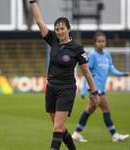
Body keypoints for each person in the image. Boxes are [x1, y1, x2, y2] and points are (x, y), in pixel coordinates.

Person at [30, 1, 100, 150]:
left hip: (66, 89)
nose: (59, 32)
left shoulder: (77, 48)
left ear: (69, 29)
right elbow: (38, 21)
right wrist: (33, 2)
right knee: (60, 128)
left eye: (62, 28)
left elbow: (86, 72)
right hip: (51, 89)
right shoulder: (53, 41)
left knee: (56, 128)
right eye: (57, 29)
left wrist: (94, 92)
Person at [72, 32, 130, 142]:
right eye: (99, 41)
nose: (101, 43)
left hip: (101, 88)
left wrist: (122, 74)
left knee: (89, 110)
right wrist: (84, 90)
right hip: (95, 89)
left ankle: (76, 133)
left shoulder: (107, 55)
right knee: (106, 109)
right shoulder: (92, 56)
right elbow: (86, 72)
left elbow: (112, 69)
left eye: (103, 41)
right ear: (95, 43)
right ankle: (115, 135)